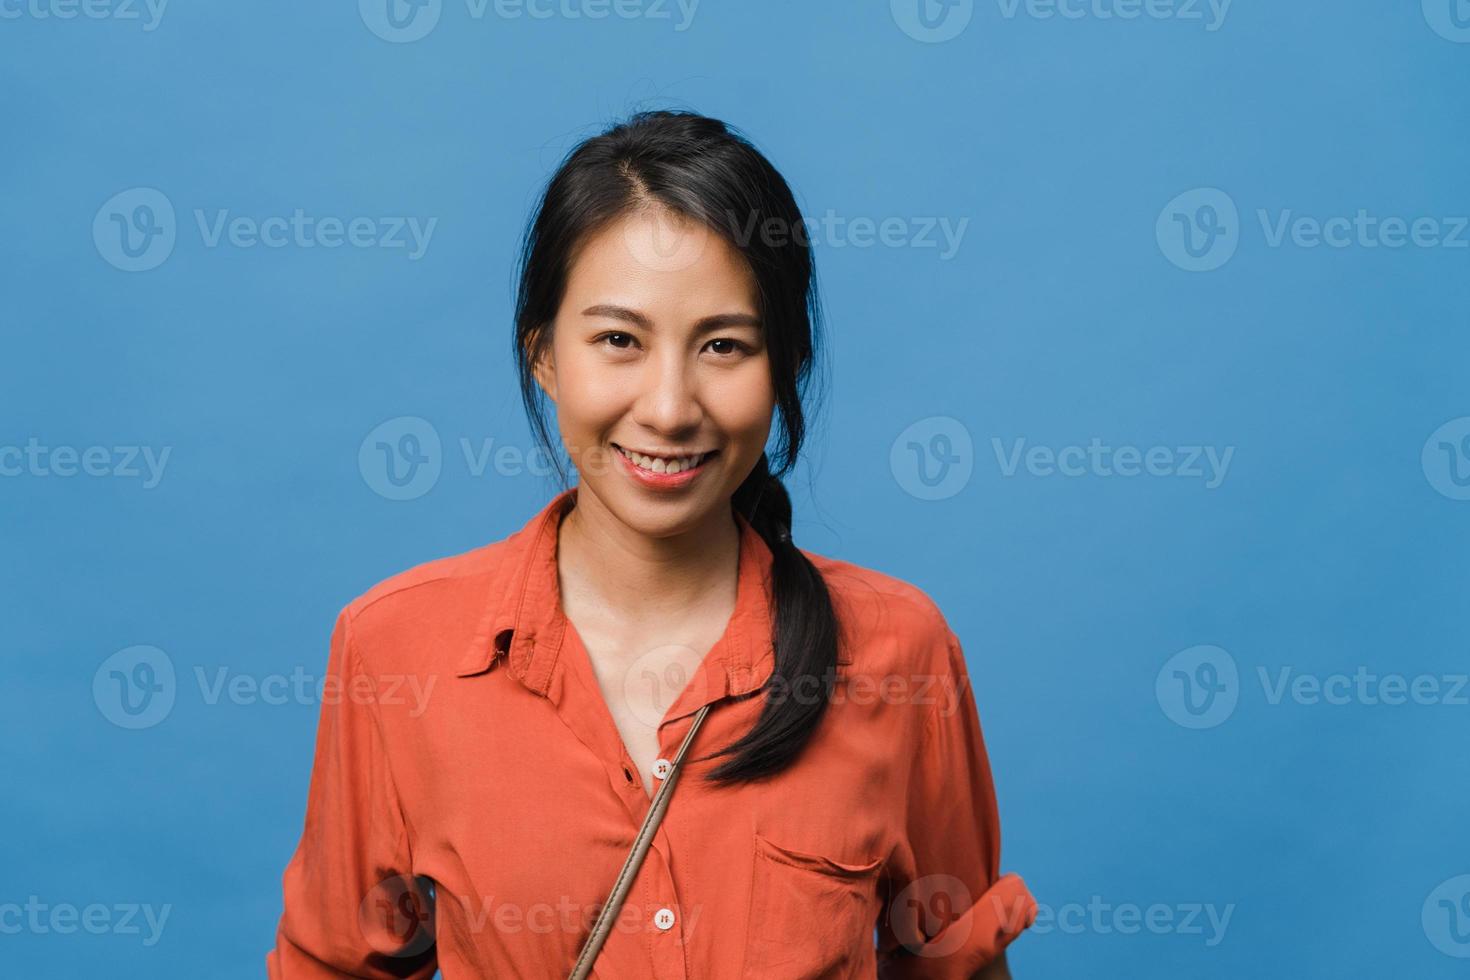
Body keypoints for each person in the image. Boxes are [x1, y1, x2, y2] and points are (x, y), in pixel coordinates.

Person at [266, 109, 1036, 979]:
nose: (670, 407)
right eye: (619, 341)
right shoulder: (394, 651)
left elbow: (953, 963)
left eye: (722, 345)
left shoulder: (902, 651)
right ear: (545, 357)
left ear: (783, 366)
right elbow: (335, 963)